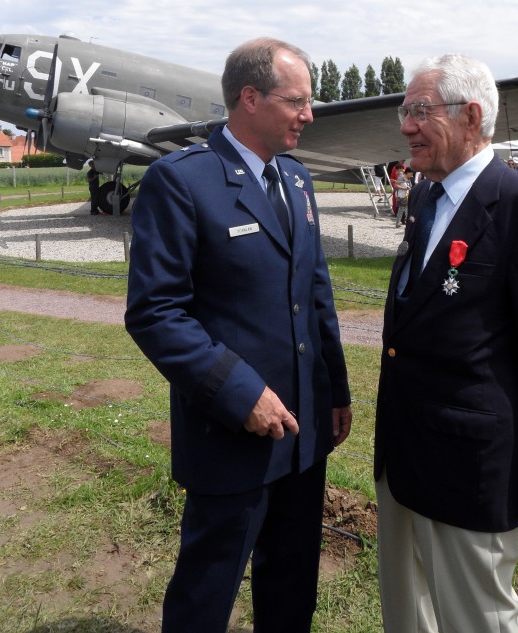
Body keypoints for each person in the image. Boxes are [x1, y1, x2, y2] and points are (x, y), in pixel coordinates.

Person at [125, 37, 352, 633]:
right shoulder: (182, 182)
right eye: (296, 101)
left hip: (302, 431)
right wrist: (239, 392)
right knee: (208, 589)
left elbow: (315, 295)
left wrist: (337, 394)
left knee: (292, 583)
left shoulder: (297, 182)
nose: (309, 115)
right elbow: (155, 313)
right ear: (249, 98)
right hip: (230, 435)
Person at [375, 53, 518, 633]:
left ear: (470, 115)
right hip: (402, 455)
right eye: (404, 110)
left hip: (467, 466)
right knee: (405, 611)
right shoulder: (424, 196)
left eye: (420, 110)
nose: (405, 125)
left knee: (477, 620)